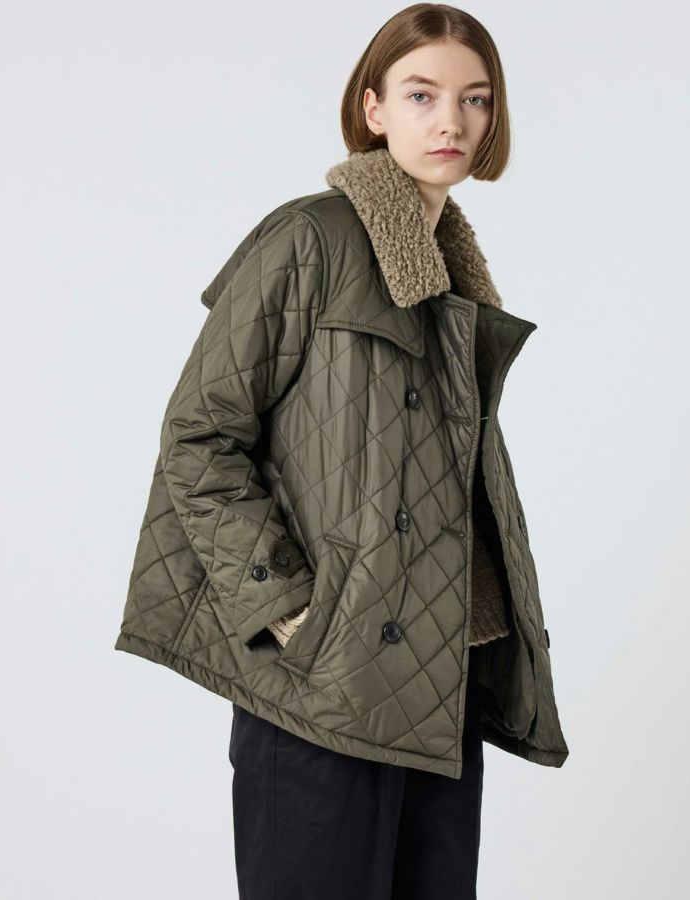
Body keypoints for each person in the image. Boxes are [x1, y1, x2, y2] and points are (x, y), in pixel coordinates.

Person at [114, 4, 570, 898]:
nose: (451, 120)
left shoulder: (450, 270)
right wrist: (287, 606)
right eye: (422, 94)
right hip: (321, 690)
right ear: (373, 108)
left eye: (475, 99)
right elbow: (200, 435)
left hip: (441, 684)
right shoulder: (311, 238)